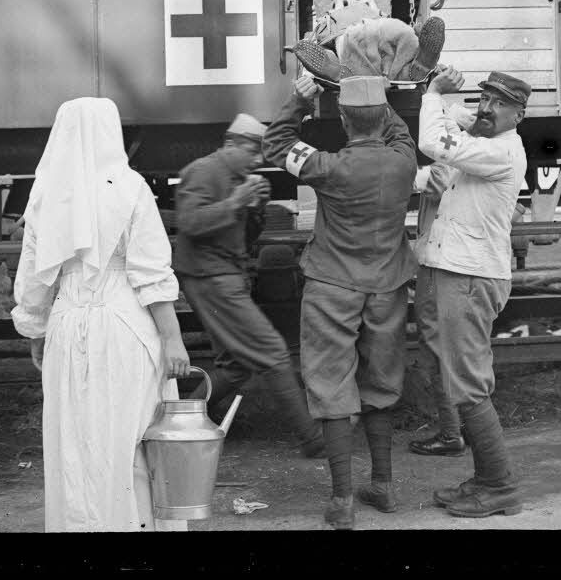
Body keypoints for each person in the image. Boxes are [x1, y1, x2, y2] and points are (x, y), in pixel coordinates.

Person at [11, 97, 191, 532]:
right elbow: (151, 273)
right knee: (130, 439)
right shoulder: (130, 187)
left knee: (74, 442)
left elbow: (34, 278)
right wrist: (172, 339)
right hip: (124, 323)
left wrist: (36, 329)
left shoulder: (44, 195)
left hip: (66, 322)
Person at [262, 74, 417, 530]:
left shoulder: (326, 167)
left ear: (344, 121)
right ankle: (383, 485)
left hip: (332, 285)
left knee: (331, 384)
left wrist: (300, 100)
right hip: (387, 285)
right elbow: (397, 128)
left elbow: (276, 145)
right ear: (383, 117)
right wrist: (376, 90)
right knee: (382, 381)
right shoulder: (404, 160)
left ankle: (342, 499)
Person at [172, 114, 325, 458]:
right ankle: (312, 438)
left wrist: (256, 210)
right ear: (230, 144)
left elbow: (244, 239)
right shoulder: (202, 171)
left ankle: (186, 422)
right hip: (210, 277)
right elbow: (189, 222)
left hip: (223, 274)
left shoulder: (237, 178)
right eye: (252, 151)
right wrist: (237, 201)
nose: (258, 160)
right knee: (272, 351)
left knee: (236, 365)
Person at [416, 67, 530, 518]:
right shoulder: (487, 142)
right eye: (484, 99)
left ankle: (500, 486)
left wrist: (432, 94)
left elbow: (434, 141)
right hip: (461, 272)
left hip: (470, 277)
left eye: (501, 104)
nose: (487, 108)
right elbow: (459, 125)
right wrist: (453, 107)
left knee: (468, 385)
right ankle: (486, 480)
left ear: (519, 116)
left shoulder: (500, 151)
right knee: (463, 382)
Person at [406, 100, 477, 458]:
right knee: (461, 350)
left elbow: (408, 177)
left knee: (436, 352)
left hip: (438, 270)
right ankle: (471, 426)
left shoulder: (443, 171)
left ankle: (451, 432)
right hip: (464, 268)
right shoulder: (479, 165)